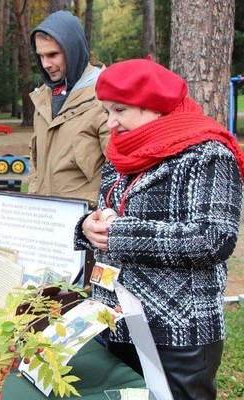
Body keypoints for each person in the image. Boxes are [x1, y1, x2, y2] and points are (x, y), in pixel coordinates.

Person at [75, 59, 244, 400]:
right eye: (106, 111)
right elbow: (109, 212)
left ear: (154, 105)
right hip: (115, 321)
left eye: (119, 110)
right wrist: (87, 228)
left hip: (177, 330)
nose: (111, 122)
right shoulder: (121, 154)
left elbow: (213, 239)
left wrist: (120, 234)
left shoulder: (208, 155)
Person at [28, 11, 109, 207]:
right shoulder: (43, 99)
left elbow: (119, 170)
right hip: (44, 219)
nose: (46, 64)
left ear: (72, 50)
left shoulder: (105, 96)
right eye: (41, 56)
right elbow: (35, 162)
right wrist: (32, 201)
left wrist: (101, 216)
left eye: (53, 54)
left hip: (86, 225)